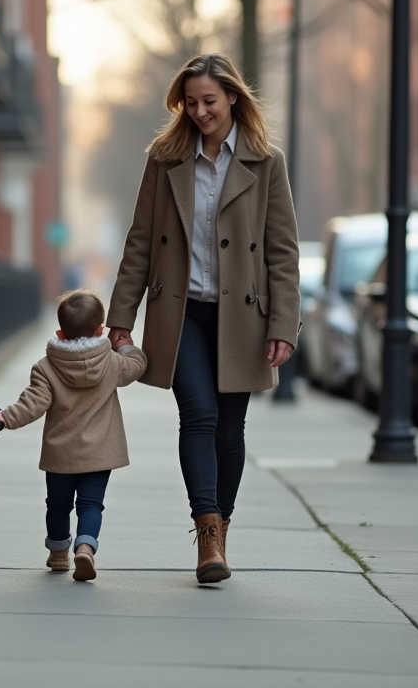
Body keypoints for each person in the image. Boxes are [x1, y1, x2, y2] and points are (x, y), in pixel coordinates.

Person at [106, 52, 300, 584]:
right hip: (182, 311)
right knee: (198, 416)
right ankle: (207, 532)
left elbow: (283, 251)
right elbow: (141, 242)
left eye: (209, 101)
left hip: (242, 317)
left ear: (233, 97)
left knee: (231, 429)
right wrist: (121, 316)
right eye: (190, 102)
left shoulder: (266, 162)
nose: (199, 112)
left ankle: (223, 523)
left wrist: (284, 324)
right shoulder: (165, 157)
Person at [0, 289, 147, 581]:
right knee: (91, 504)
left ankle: (58, 553)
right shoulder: (112, 363)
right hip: (100, 453)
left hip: (60, 455)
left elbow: (33, 403)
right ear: (101, 330)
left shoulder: (47, 367)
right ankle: (86, 547)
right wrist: (126, 346)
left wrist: (6, 417)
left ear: (60, 332)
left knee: (58, 505)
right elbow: (137, 367)